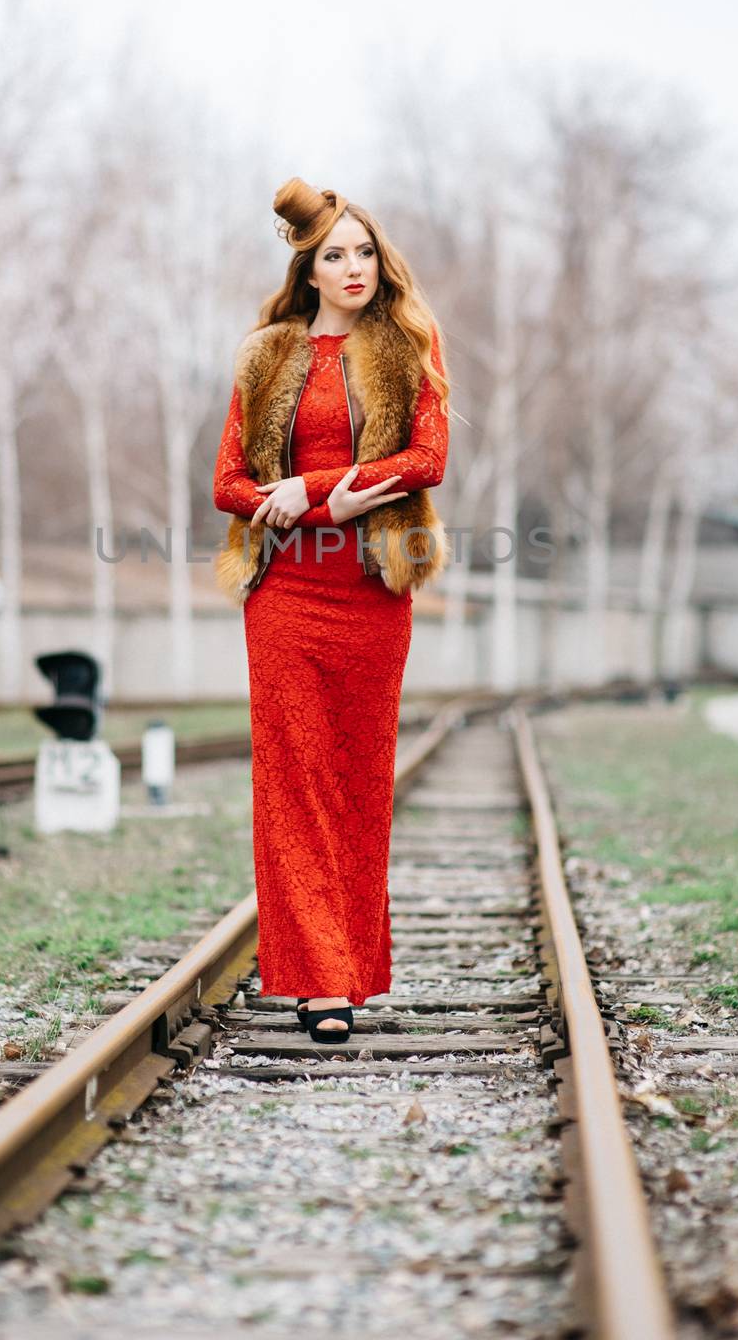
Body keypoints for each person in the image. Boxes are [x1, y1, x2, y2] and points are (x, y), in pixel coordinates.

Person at [212, 177, 450, 1043]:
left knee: (358, 781)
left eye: (364, 252)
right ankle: (321, 986)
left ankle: (350, 970)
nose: (354, 267)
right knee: (292, 784)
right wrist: (321, 507)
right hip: (284, 592)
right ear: (308, 270)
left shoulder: (406, 344)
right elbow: (228, 485)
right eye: (334, 256)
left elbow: (427, 459)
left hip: (371, 590)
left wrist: (320, 489)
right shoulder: (266, 353)